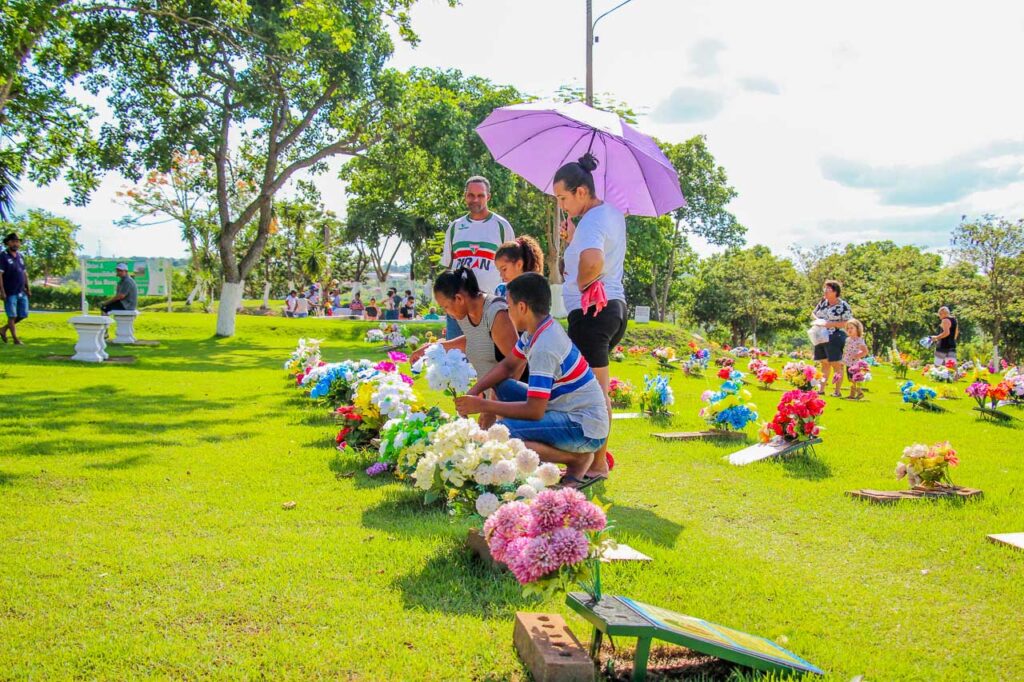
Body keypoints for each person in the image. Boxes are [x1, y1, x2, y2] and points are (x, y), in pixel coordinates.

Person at [454, 273, 609, 487]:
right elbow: (508, 366)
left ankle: (576, 459)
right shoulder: (537, 330)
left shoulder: (544, 346)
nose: (507, 313)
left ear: (522, 307)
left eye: (508, 306)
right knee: (500, 384)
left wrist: (482, 405)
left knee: (504, 432)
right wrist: (475, 391)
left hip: (584, 428)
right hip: (568, 411)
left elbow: (534, 410)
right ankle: (548, 451)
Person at [552, 153, 627, 480]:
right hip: (612, 309)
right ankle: (592, 461)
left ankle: (595, 465)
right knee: (594, 391)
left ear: (581, 191)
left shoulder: (593, 221)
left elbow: (594, 262)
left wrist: (583, 283)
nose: (562, 206)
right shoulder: (610, 214)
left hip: (593, 313)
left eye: (563, 198)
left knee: (594, 394)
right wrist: (574, 239)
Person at [411, 268, 521, 426]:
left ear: (459, 298)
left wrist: (492, 407)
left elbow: (517, 362)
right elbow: (476, 338)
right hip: (492, 399)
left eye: (445, 307)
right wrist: (433, 347)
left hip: (516, 403)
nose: (447, 313)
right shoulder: (464, 313)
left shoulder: (496, 313)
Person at [440, 176, 515, 342]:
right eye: (471, 195)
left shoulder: (502, 226)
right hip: (458, 305)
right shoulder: (455, 227)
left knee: (489, 354)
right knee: (455, 355)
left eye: (480, 195)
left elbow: (513, 268)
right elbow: (448, 267)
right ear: (465, 196)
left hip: (490, 306)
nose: (475, 199)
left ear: (488, 197)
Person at [812, 279, 853, 397]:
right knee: (824, 363)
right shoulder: (822, 302)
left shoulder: (843, 306)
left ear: (835, 292)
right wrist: (818, 320)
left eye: (828, 289)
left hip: (835, 336)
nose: (825, 291)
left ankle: (837, 391)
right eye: (825, 288)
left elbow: (848, 322)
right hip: (820, 335)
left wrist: (831, 324)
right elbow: (813, 313)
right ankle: (821, 389)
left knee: (836, 364)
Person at [0, 232, 30, 345]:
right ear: (8, 243)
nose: (16, 244)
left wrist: (28, 288)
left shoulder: (20, 256)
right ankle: (15, 339)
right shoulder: (3, 256)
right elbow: (0, 275)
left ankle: (3, 329)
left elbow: (24, 273)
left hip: (21, 290)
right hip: (9, 291)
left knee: (23, 314)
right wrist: (2, 291)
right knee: (12, 315)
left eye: (17, 242)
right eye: (13, 241)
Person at [840, 318, 868, 399]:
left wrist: (856, 356)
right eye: (848, 328)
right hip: (848, 362)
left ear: (857, 329)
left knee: (854, 378)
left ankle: (859, 393)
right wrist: (843, 360)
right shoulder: (848, 339)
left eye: (851, 328)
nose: (849, 330)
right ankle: (852, 394)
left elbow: (865, 351)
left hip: (855, 363)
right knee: (850, 379)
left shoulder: (859, 340)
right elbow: (845, 350)